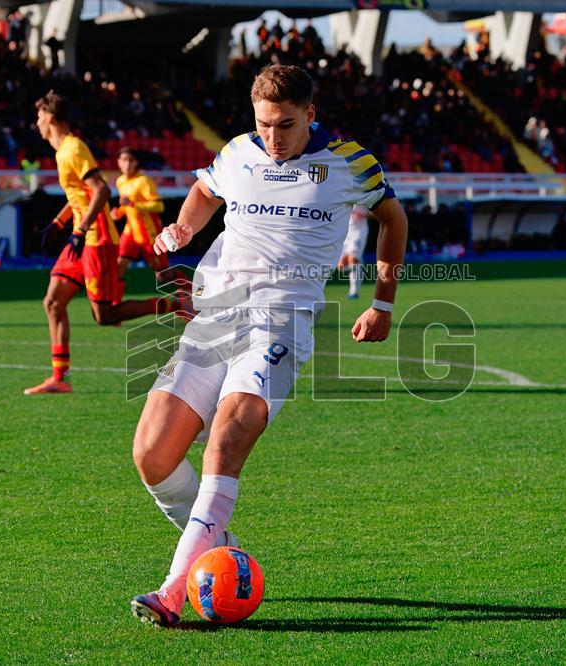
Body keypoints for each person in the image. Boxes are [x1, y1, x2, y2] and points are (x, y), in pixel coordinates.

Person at [129, 65, 408, 627]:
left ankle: (174, 590)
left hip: (281, 322)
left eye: (285, 125)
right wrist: (183, 229)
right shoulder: (238, 152)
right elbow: (204, 191)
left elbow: (392, 219)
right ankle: (215, 538)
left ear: (311, 113)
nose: (274, 139)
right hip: (216, 316)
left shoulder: (350, 161)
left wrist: (382, 302)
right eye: (264, 124)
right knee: (153, 454)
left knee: (227, 437)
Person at [25, 91, 189, 396]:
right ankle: (60, 377)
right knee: (53, 302)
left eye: (38, 116)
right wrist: (60, 223)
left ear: (50, 118)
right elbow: (80, 195)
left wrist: (80, 228)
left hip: (97, 239)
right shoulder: (62, 152)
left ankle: (175, 303)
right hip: (81, 237)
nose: (36, 122)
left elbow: (100, 191)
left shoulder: (73, 148)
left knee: (105, 315)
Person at [112, 147, 186, 300]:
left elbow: (159, 206)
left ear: (136, 162)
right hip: (130, 231)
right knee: (119, 266)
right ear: (118, 162)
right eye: (123, 160)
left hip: (149, 231)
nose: (127, 164)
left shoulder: (143, 181)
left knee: (163, 275)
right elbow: (128, 207)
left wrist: (133, 204)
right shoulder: (120, 181)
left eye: (130, 160)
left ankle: (196, 293)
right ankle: (113, 304)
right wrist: (119, 212)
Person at [337, 204, 370, 299]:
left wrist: (364, 215)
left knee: (353, 259)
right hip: (345, 232)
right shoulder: (342, 193)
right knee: (341, 266)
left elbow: (377, 213)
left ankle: (354, 292)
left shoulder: (366, 193)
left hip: (359, 233)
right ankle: (360, 270)